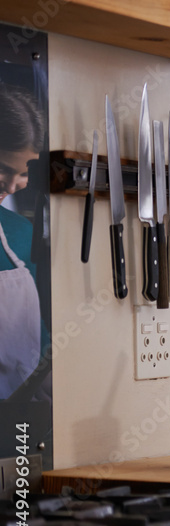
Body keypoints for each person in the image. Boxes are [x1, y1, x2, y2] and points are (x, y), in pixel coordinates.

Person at [0, 84, 47, 401]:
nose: (13, 185)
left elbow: (35, 339)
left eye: (23, 174)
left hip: (15, 422)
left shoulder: (19, 233)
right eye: (3, 169)